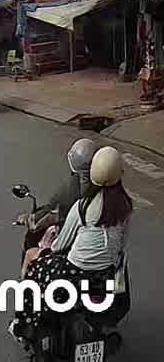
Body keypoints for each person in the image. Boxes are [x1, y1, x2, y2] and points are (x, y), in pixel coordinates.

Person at [11, 147, 132, 342]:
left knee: (32, 264)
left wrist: (45, 251)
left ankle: (22, 324)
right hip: (105, 273)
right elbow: (122, 244)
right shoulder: (125, 206)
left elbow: (60, 245)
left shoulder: (83, 206)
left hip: (73, 272)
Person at [20, 139, 99, 274]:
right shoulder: (113, 195)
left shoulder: (69, 193)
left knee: (30, 254)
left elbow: (47, 220)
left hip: (75, 257)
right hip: (106, 257)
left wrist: (29, 219)